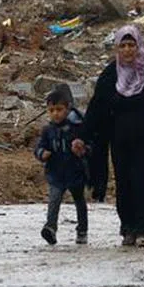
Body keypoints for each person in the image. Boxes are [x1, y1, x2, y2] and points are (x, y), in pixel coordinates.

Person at [75, 25, 144, 248]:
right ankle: (128, 228)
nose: (127, 50)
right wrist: (82, 137)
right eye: (123, 46)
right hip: (121, 143)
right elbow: (96, 108)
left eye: (131, 45)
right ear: (117, 48)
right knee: (125, 186)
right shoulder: (109, 76)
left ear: (139, 46)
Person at [35, 87, 88, 245]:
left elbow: (90, 146)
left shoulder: (77, 128)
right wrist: (42, 153)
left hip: (75, 172)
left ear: (68, 109)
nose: (55, 113)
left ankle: (82, 230)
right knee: (54, 200)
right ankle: (50, 228)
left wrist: (82, 150)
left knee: (79, 201)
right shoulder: (48, 131)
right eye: (51, 110)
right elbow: (38, 148)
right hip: (56, 173)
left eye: (59, 109)